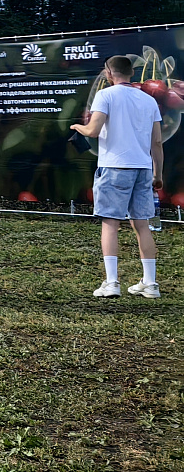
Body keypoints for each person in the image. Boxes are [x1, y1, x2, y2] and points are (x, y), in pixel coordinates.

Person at [70, 55, 164, 298]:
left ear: (108, 73)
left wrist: (78, 128)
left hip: (114, 167)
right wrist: (158, 174)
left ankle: (112, 282)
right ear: (131, 72)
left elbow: (93, 130)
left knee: (110, 223)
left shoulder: (105, 95)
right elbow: (156, 142)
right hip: (142, 168)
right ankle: (150, 283)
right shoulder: (149, 100)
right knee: (142, 224)